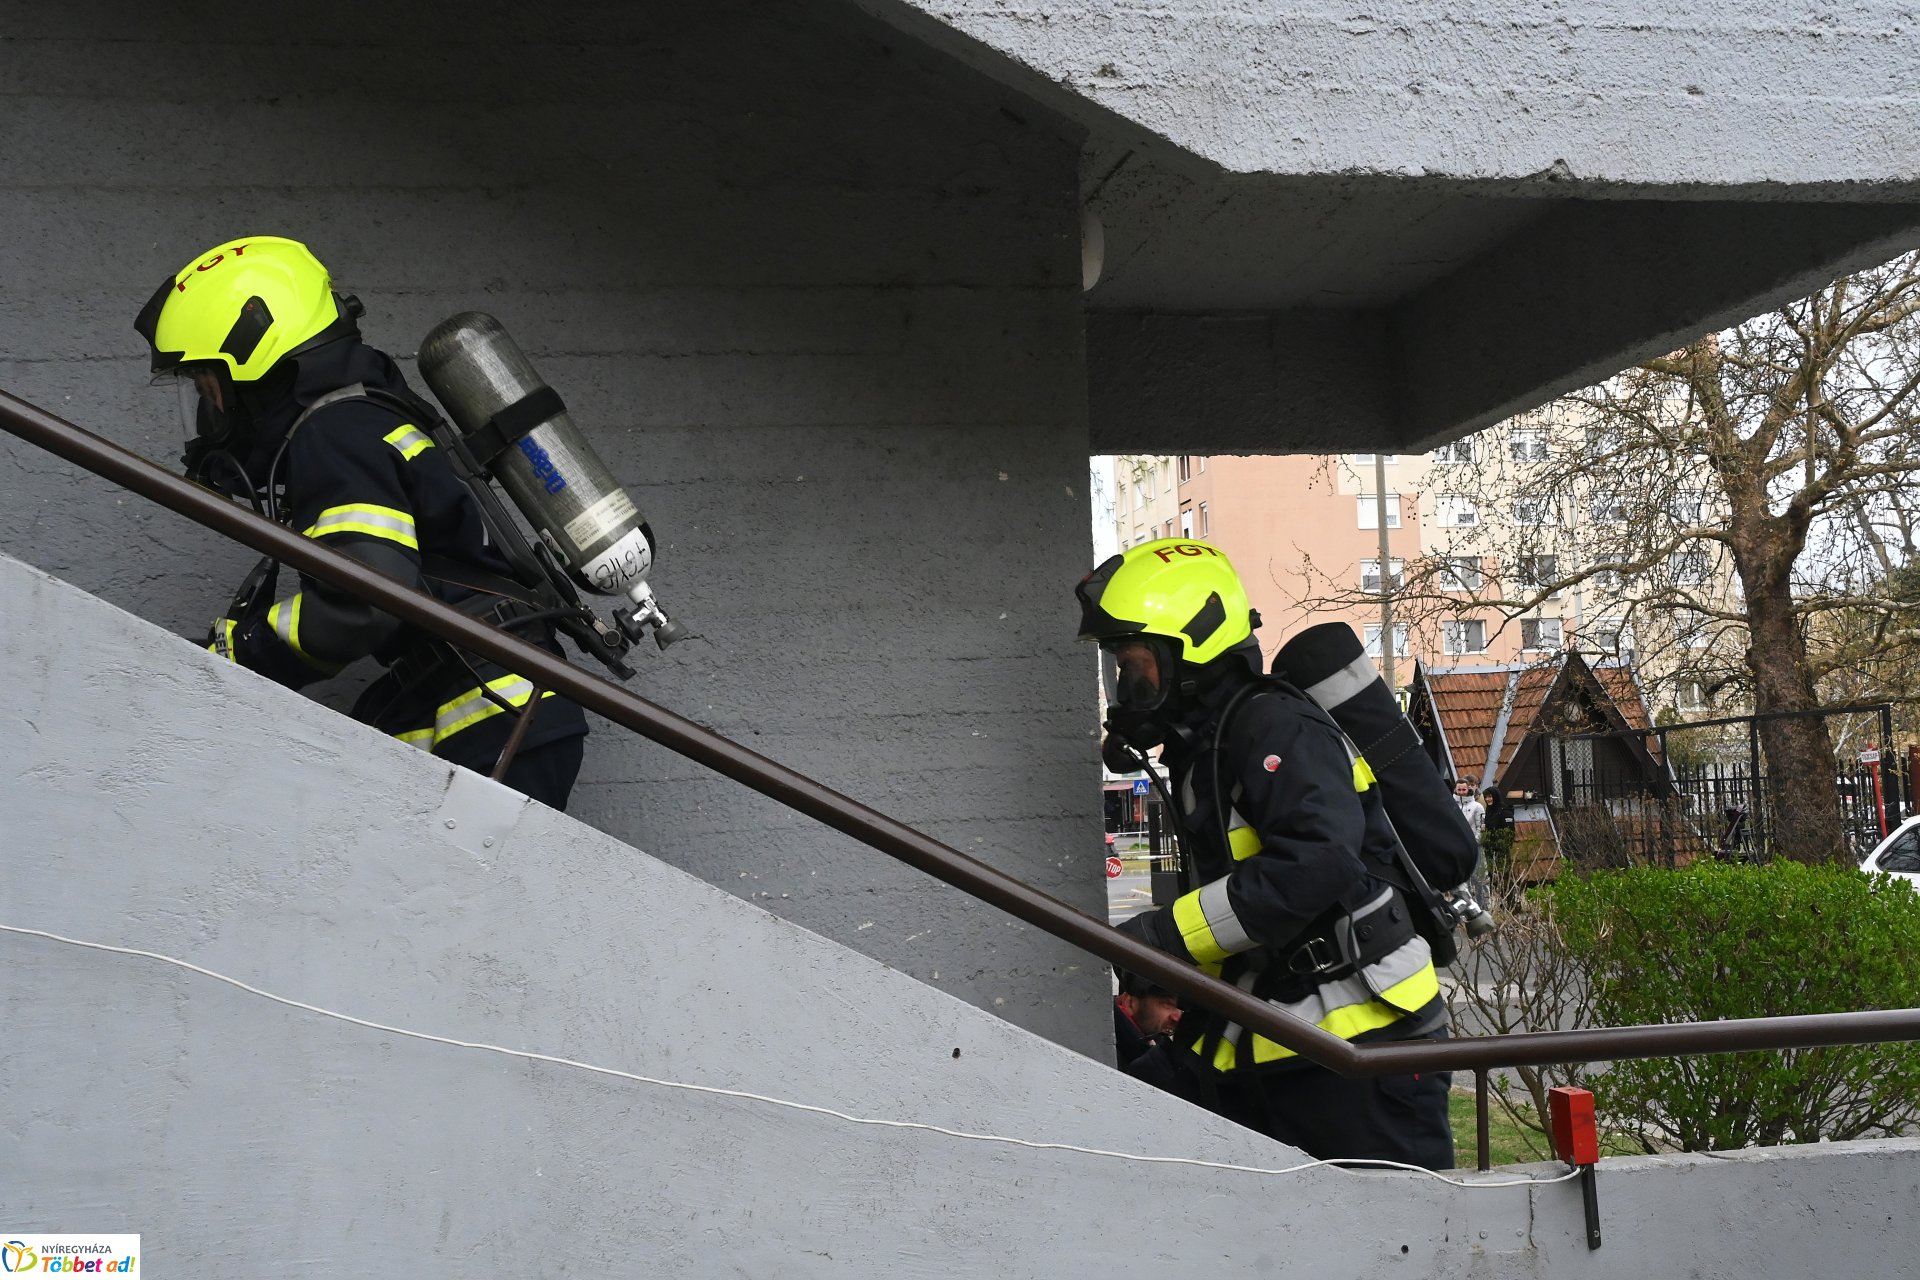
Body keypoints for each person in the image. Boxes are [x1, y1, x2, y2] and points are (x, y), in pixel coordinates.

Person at [133, 235, 588, 809]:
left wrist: (241, 649)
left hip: (490, 711)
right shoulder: (366, 414)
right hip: (490, 698)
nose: (210, 410)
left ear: (253, 358)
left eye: (208, 386)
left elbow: (362, 600)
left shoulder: (334, 431)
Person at [1078, 538, 1453, 1169]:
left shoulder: (1274, 726)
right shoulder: (1210, 746)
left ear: (1191, 646)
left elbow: (1318, 860)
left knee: (1389, 1227)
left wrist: (1166, 937)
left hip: (1363, 1047)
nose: (1127, 687)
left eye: (1137, 665)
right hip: (1279, 1035)